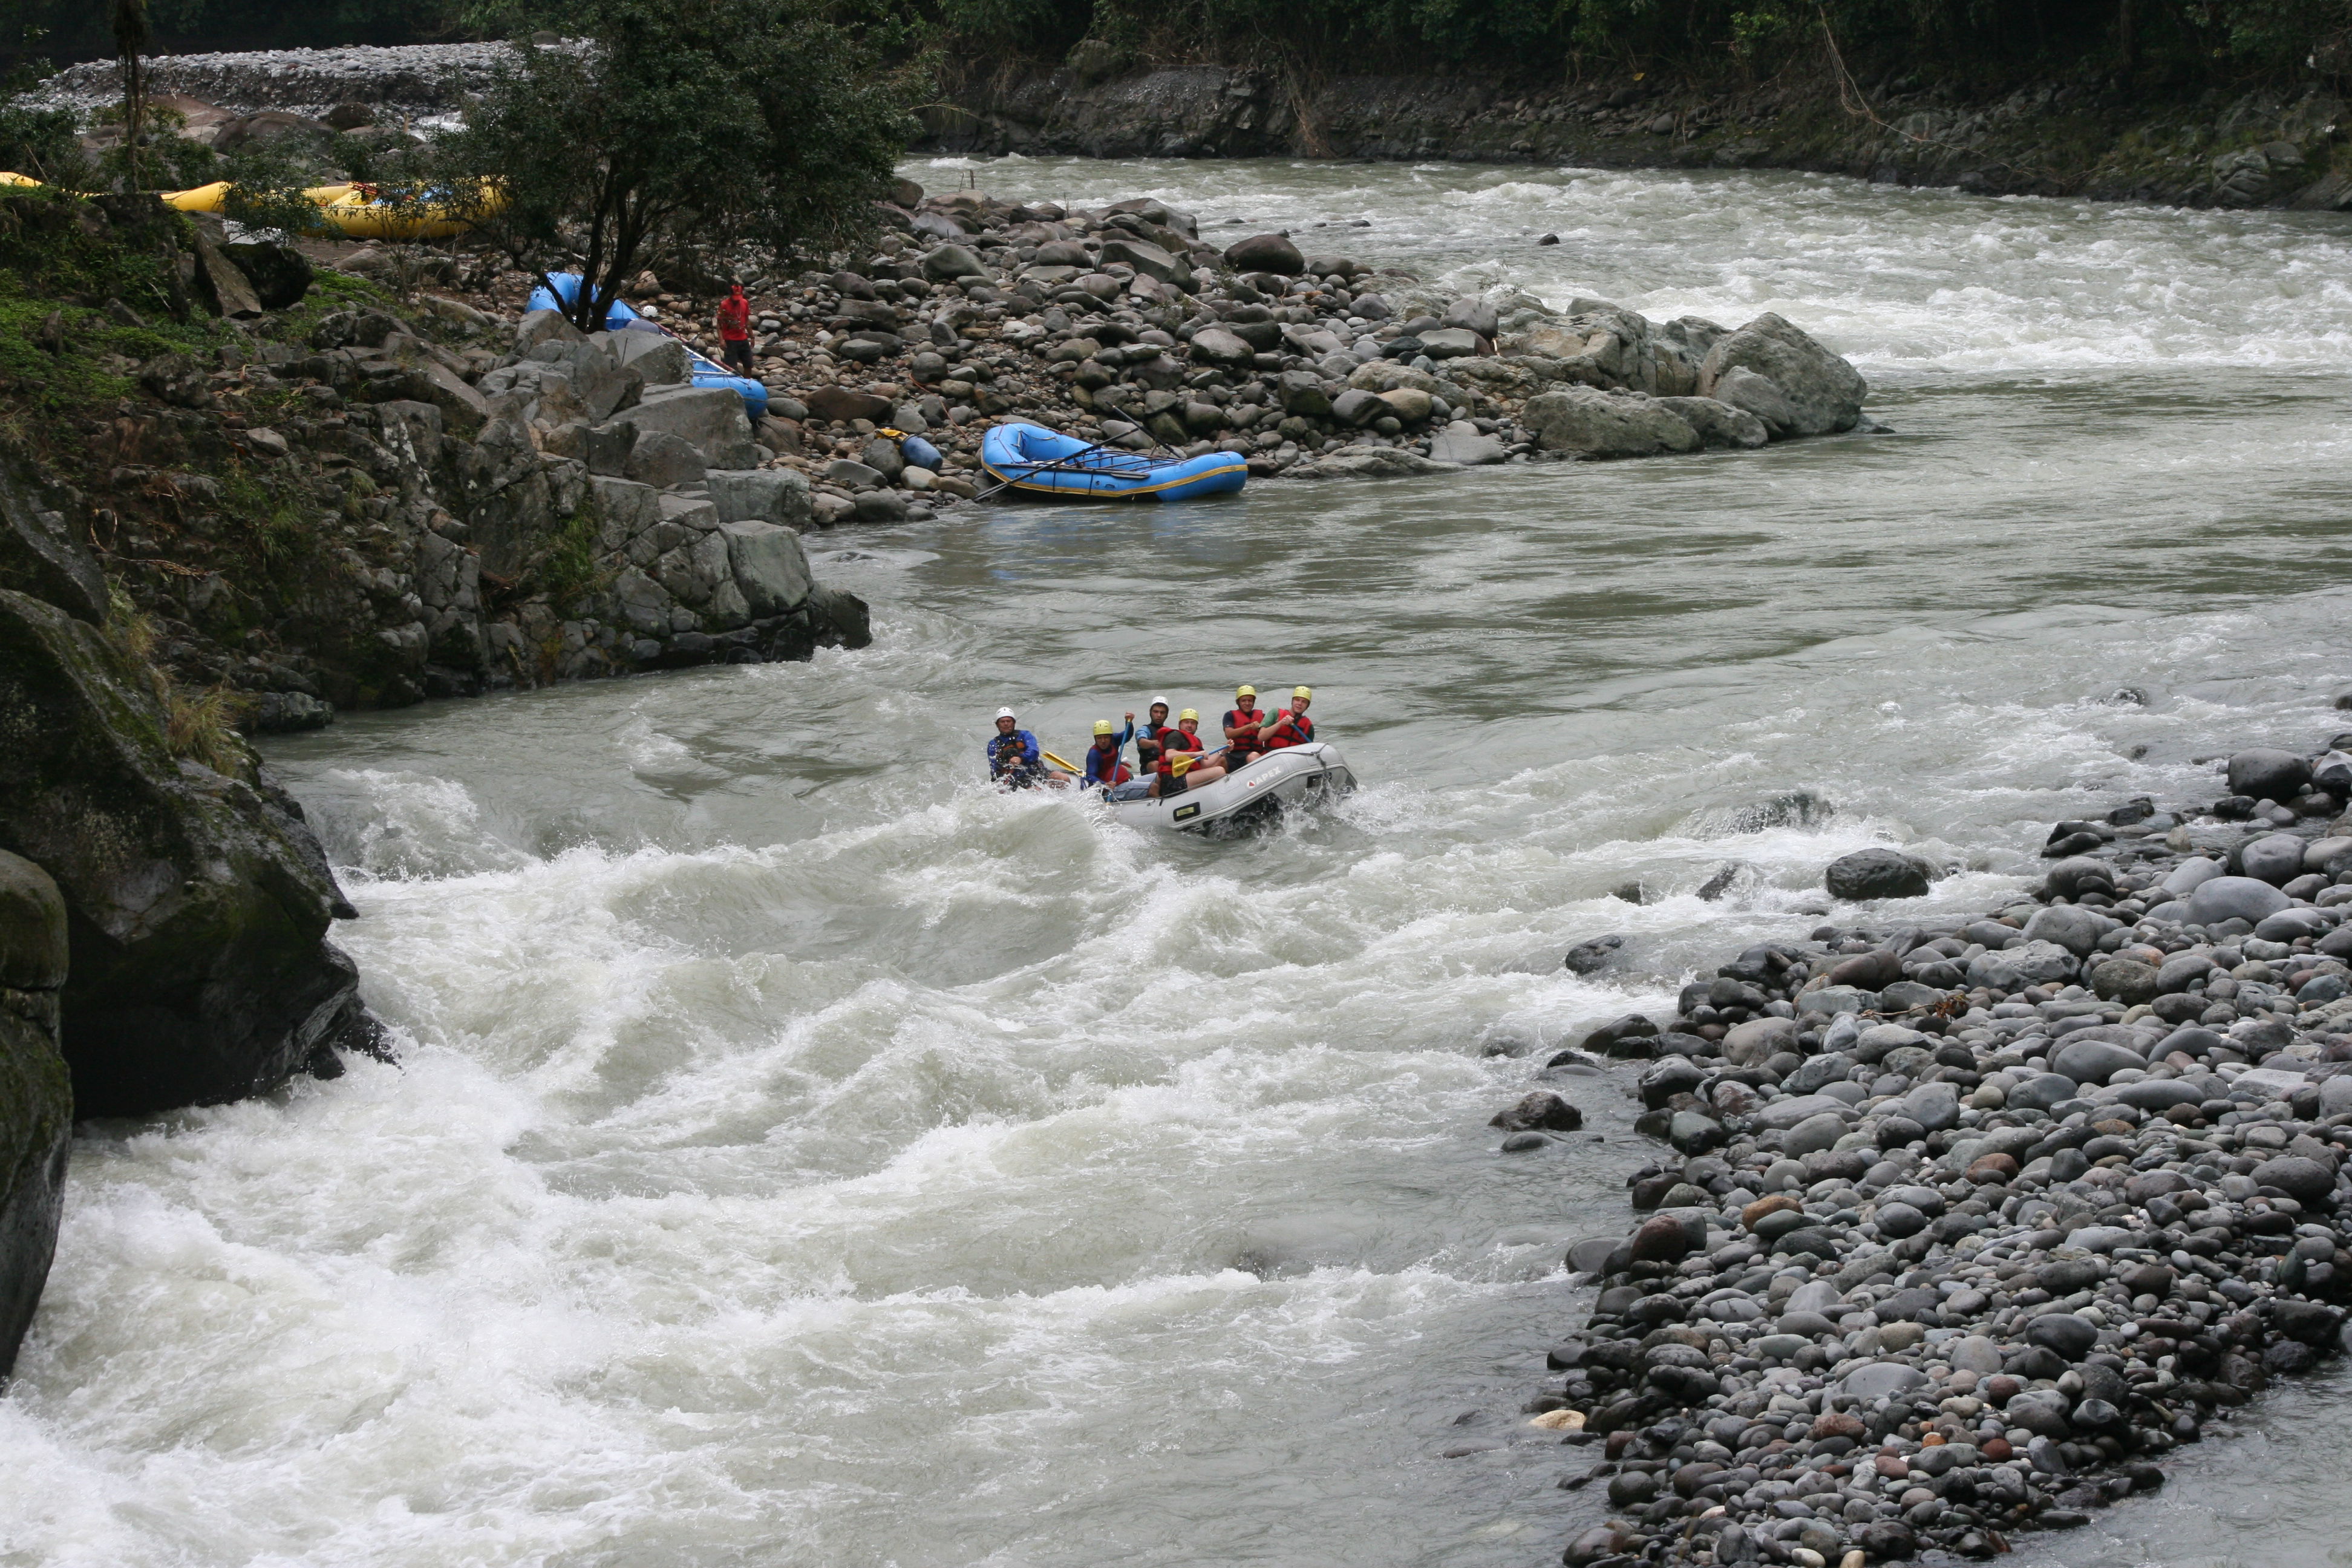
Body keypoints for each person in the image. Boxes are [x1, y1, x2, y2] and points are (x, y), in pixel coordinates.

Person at [1151, 709, 1227, 796]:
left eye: (1193, 723)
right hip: (1172, 782)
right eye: (1186, 722)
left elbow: (1204, 765)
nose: (1190, 726)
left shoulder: (1196, 741)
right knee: (1219, 771)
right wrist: (1195, 754)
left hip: (1186, 778)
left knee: (1219, 767)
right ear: (1180, 724)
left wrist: (1223, 752)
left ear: (1197, 726)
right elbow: (1169, 755)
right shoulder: (1175, 735)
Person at [988, 707, 1044, 788]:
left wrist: (1021, 758)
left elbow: (1034, 752)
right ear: (998, 725)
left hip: (1035, 772)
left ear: (1014, 723)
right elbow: (994, 769)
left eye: (1009, 721)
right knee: (1036, 790)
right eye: (1002, 722)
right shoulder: (993, 744)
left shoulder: (1025, 735)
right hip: (1014, 778)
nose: (1006, 724)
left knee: (1063, 778)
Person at [1223, 684, 1267, 768]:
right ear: (1238, 702)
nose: (1247, 703)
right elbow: (1229, 734)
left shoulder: (1263, 716)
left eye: (1250, 701)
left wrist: (1260, 728)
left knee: (1253, 756)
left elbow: (1268, 734)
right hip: (1235, 755)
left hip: (1256, 754)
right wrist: (1249, 727)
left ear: (1253, 702)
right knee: (1220, 761)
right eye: (1244, 701)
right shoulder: (1230, 715)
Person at [1083, 717, 1135, 787]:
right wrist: (1105, 784)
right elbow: (1090, 776)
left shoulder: (1115, 740)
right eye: (1099, 738)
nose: (1103, 741)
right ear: (1095, 739)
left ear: (1111, 737)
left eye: (1106, 737)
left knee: (1129, 775)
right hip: (1106, 786)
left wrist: (1128, 721)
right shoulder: (1094, 754)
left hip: (1118, 781)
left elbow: (1128, 734)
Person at [716, 283, 754, 376]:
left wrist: (752, 337)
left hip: (743, 338)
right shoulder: (724, 305)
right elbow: (719, 324)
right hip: (730, 340)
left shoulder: (745, 303)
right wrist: (721, 340)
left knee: (749, 365)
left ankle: (747, 383)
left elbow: (747, 321)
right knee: (731, 367)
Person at [1261, 686, 1315, 750]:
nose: (1300, 703)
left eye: (1304, 702)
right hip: (1272, 755)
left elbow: (1310, 749)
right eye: (1297, 700)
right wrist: (1281, 723)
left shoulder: (1309, 726)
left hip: (1293, 758)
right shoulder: (1275, 713)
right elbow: (1261, 737)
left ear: (1307, 706)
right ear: (1292, 701)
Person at [1134, 696, 1175, 774]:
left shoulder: (1170, 732)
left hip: (1167, 766)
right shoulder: (1144, 730)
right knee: (1155, 764)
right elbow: (1142, 742)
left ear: (1167, 715)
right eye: (1156, 712)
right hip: (1149, 769)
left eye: (1162, 713)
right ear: (1151, 712)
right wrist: (1155, 743)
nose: (1159, 715)